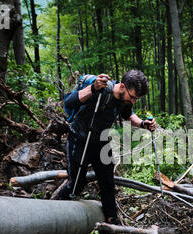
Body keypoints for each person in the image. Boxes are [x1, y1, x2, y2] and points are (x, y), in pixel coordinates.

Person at [58, 70, 156, 225]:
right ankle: (56, 212)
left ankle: (112, 221)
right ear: (122, 87)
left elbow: (128, 115)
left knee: (108, 182)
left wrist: (143, 124)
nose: (133, 101)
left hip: (101, 141)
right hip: (80, 139)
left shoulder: (125, 100)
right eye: (132, 97)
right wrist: (92, 89)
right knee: (76, 184)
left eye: (136, 98)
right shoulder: (101, 88)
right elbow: (69, 102)